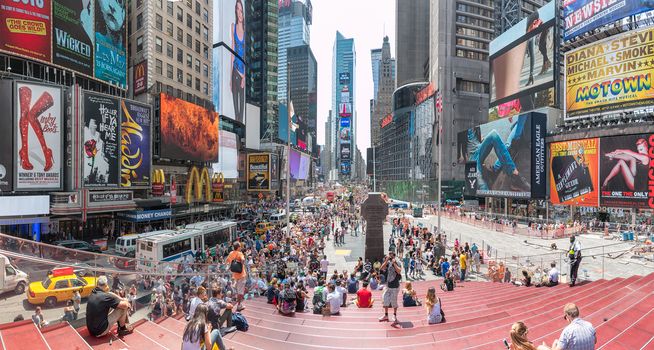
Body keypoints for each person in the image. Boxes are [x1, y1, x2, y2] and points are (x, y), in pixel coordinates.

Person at [230, 0, 245, 122]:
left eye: (241, 10)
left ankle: (241, 140)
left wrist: (244, 77)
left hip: (242, 75)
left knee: (241, 113)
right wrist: (230, 77)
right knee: (236, 113)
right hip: (234, 72)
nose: (239, 13)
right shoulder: (233, 27)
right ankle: (235, 139)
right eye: (237, 10)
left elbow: (246, 57)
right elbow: (232, 52)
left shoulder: (246, 32)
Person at [378, 251, 402, 325]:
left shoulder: (397, 262)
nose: (390, 256)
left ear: (394, 256)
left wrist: (394, 263)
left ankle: (394, 316)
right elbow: (381, 268)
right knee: (385, 300)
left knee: (394, 302)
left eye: (391, 255)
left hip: (395, 286)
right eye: (389, 255)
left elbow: (399, 271)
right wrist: (386, 260)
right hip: (388, 286)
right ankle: (386, 315)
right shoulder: (387, 263)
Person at [226, 241, 247, 311]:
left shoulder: (231, 253)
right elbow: (243, 260)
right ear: (238, 247)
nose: (241, 247)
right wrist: (241, 263)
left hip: (234, 275)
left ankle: (235, 302)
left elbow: (227, 261)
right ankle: (239, 305)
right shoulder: (240, 253)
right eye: (240, 246)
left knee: (236, 290)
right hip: (241, 275)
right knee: (240, 292)